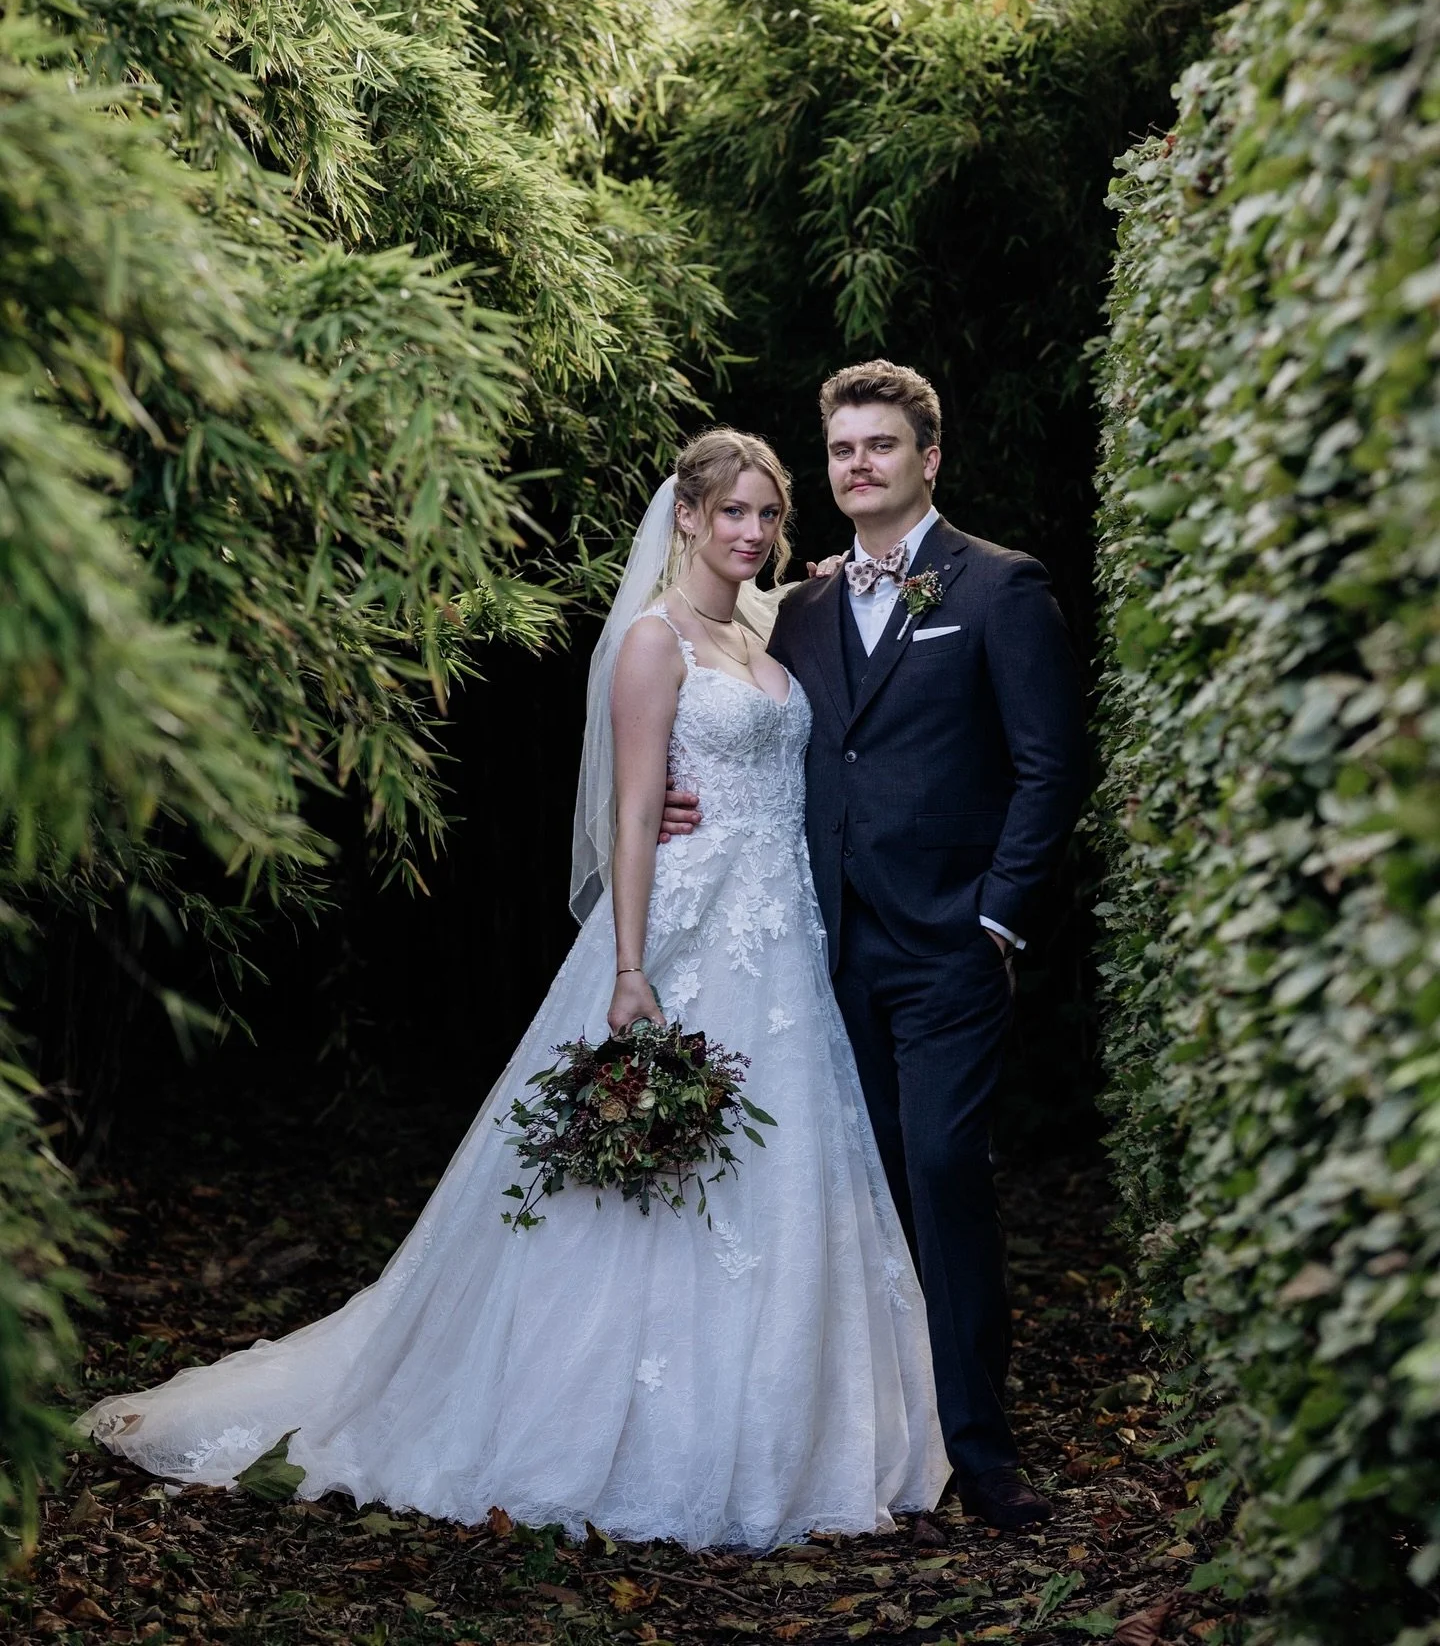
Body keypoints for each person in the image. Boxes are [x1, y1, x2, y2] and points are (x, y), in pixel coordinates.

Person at [80, 427, 948, 1553]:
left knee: (777, 1179)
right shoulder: (651, 642)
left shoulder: (764, 625)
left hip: (781, 947)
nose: (752, 533)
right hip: (684, 937)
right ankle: (613, 1429)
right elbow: (636, 812)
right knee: (650, 1184)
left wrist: (824, 576)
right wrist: (633, 971)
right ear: (683, 516)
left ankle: (787, 1429)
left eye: (769, 516)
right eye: (731, 512)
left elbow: (809, 646)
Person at [662, 364, 1088, 1530]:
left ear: (928, 458)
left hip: (949, 947)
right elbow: (730, 718)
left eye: (880, 445)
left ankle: (980, 1450)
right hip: (819, 947)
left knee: (944, 1173)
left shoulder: (998, 589)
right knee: (846, 1192)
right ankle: (873, 1435)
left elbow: (1052, 763)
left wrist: (998, 915)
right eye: (842, 447)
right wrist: (664, 799)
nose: (858, 464)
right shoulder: (791, 610)